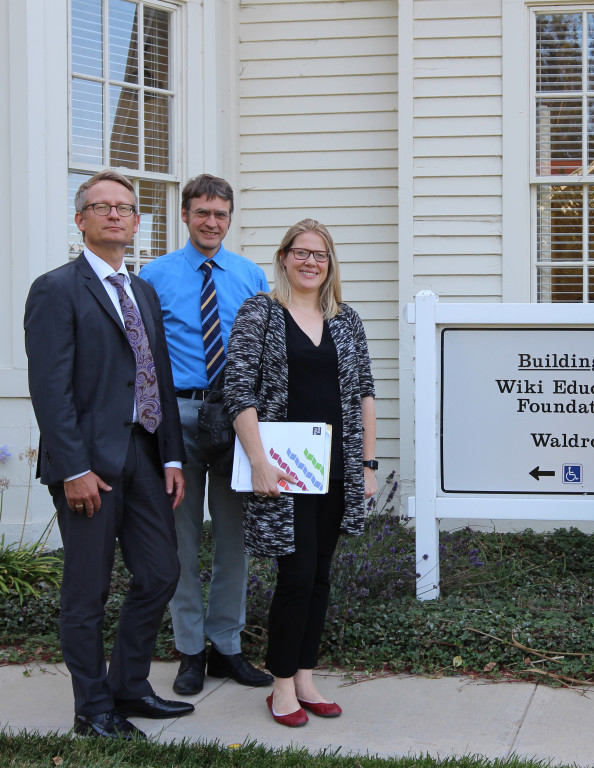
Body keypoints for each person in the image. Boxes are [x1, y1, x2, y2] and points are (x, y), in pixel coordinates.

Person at [24, 170, 194, 740]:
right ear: (81, 220)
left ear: (137, 222)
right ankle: (92, 709)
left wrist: (172, 458)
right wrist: (73, 468)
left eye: (124, 207)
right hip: (89, 467)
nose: (115, 215)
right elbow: (50, 388)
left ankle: (129, 685)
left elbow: (158, 379)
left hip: (145, 456)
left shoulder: (141, 289)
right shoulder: (56, 288)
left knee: (160, 573)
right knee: (87, 589)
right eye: (102, 207)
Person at [223, 219, 377, 727]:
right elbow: (239, 390)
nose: (311, 262)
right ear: (284, 257)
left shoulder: (346, 319)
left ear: (330, 265)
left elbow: (365, 395)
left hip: (335, 468)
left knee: (319, 575)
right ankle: (281, 685)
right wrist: (259, 461)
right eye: (301, 252)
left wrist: (368, 465)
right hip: (283, 470)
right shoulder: (260, 313)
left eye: (321, 255)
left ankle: (307, 676)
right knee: (294, 575)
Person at [138, 175, 272, 696]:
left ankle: (228, 647)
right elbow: (143, 355)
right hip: (179, 416)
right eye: (201, 213)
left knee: (234, 541)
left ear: (230, 218)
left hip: (238, 416)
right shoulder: (154, 275)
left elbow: (264, 351)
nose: (211, 222)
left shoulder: (251, 275)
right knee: (182, 540)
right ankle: (190, 651)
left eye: (220, 214)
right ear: (186, 215)